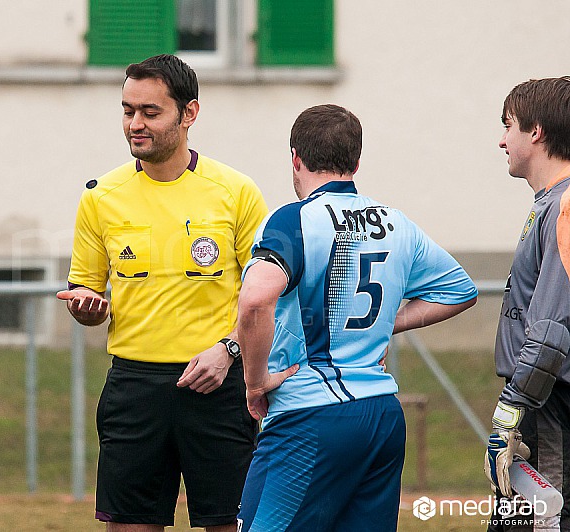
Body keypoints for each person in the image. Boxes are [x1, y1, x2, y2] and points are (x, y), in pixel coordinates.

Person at [236, 104, 478, 531]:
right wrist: (389, 324)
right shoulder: (396, 222)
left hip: (310, 414)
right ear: (356, 162)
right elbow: (460, 290)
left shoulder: (293, 220)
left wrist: (254, 383)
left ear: (295, 158)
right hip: (381, 415)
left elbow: (255, 301)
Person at [56, 54, 268, 531]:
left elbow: (267, 299)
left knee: (231, 524)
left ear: (189, 113)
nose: (135, 123)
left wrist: (230, 350)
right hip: (135, 388)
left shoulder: (236, 192)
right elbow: (85, 292)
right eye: (128, 110)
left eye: (150, 112)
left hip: (219, 384)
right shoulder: (100, 196)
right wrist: (88, 309)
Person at [485, 77, 570, 532]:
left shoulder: (565, 205)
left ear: (535, 131)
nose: (502, 140)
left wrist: (510, 412)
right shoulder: (550, 202)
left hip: (549, 403)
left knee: (543, 523)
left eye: (508, 125)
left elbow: (552, 327)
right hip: (539, 400)